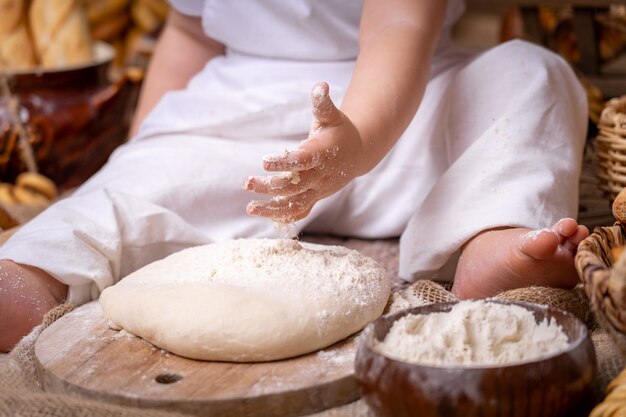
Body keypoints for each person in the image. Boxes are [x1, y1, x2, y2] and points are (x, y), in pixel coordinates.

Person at [0, 0, 589, 352]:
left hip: (410, 112)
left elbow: (398, 29)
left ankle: (489, 227)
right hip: (240, 127)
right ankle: (36, 269)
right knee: (131, 186)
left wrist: (354, 143)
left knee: (530, 71)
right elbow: (188, 35)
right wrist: (139, 155)